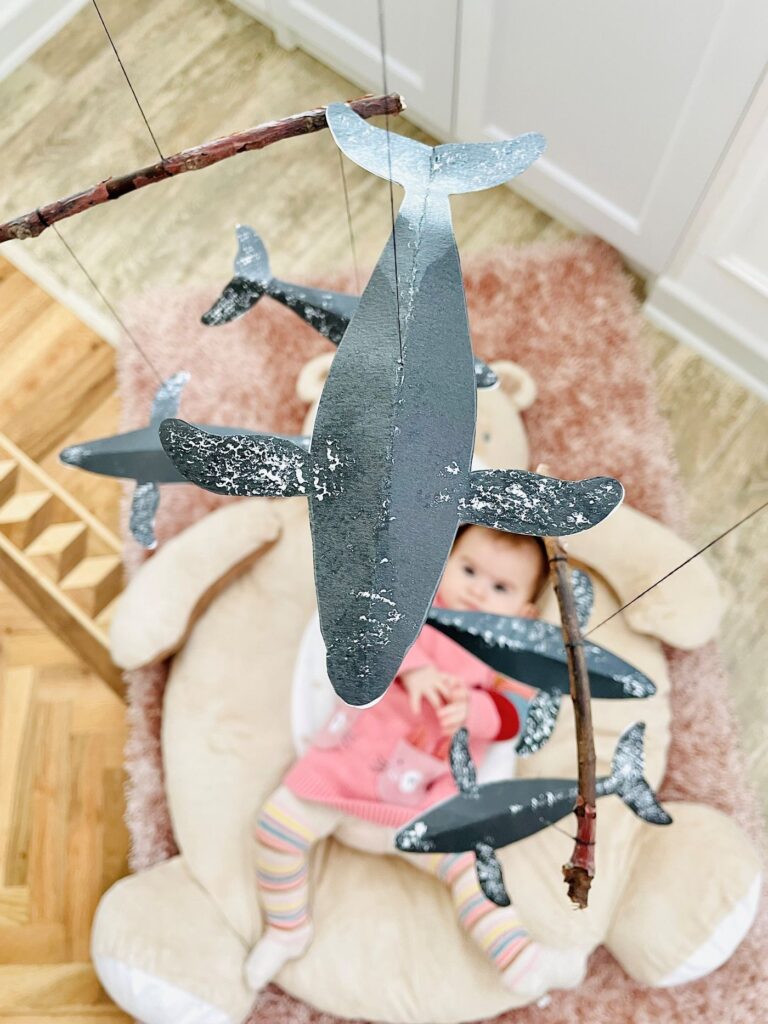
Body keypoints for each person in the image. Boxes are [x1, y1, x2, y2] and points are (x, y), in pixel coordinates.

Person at [246, 526, 585, 998]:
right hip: (346, 774)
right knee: (276, 826)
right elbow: (365, 628)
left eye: (501, 587)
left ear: (526, 613)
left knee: (475, 870)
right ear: (441, 565)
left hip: (429, 799)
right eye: (467, 570)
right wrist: (415, 666)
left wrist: (475, 708)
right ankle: (286, 928)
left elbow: (514, 720)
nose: (477, 589)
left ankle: (521, 962)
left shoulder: (511, 657)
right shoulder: (415, 612)